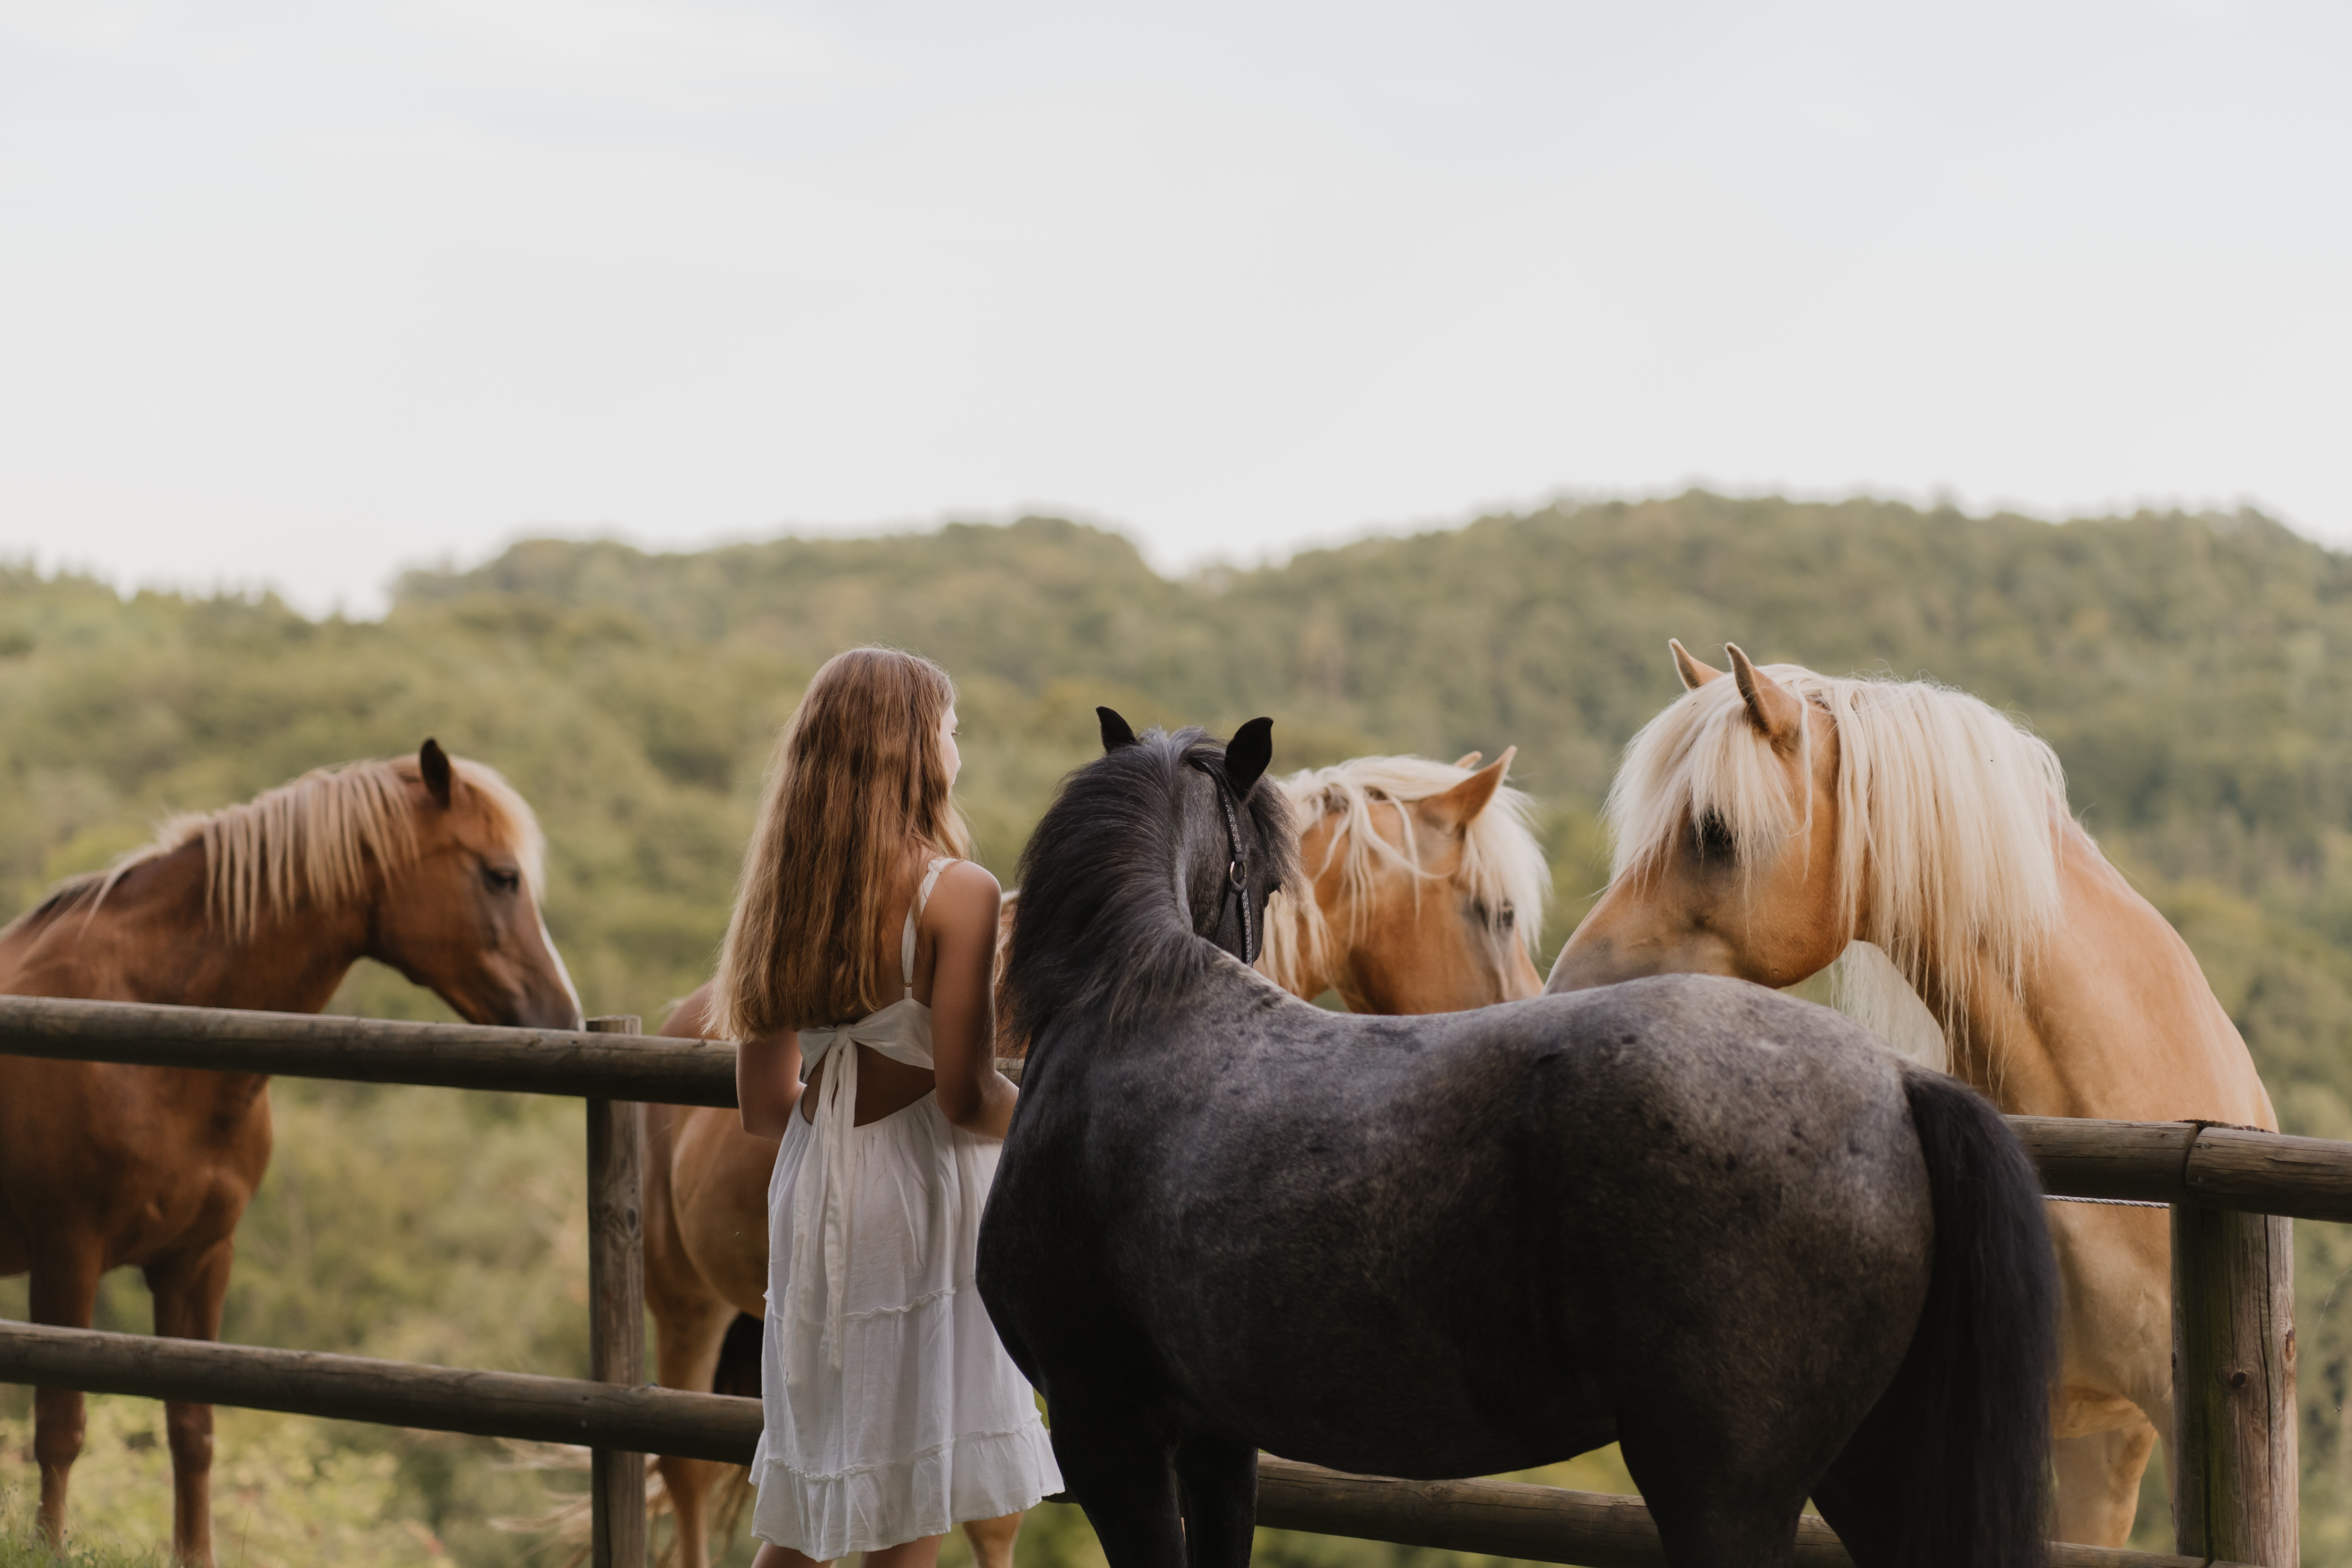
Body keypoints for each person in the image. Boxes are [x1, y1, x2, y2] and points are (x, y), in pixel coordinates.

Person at [714, 647, 1061, 1568]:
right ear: (910, 747)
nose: (959, 743)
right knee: (912, 1492)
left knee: (811, 1495)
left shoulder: (779, 895)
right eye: (949, 725)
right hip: (916, 1199)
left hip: (813, 1184)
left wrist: (842, 1123)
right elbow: (965, 1095)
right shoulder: (957, 892)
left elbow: (762, 1104)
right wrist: (1063, 1132)